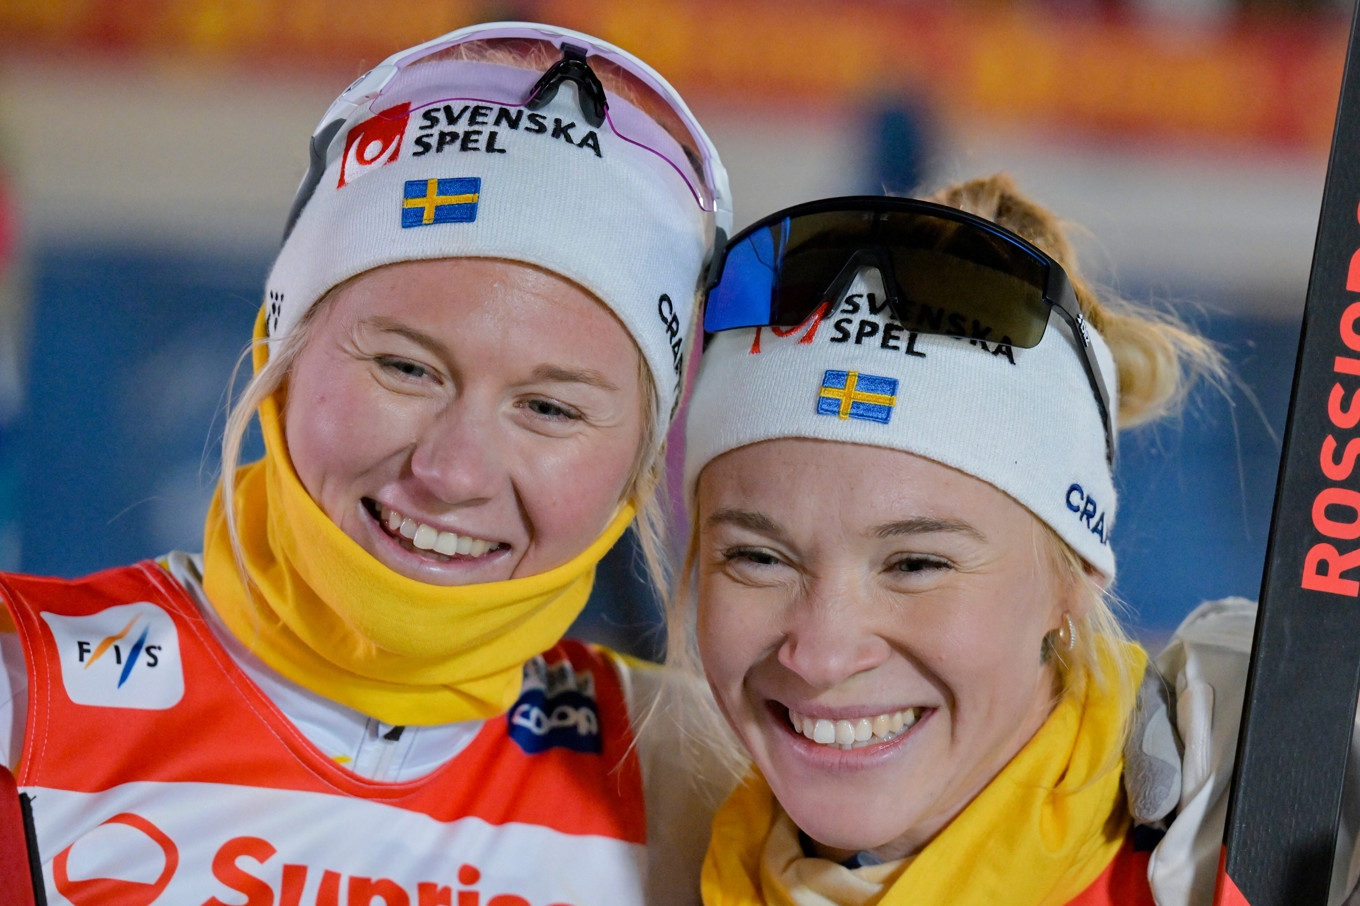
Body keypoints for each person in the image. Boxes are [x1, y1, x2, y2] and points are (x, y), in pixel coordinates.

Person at [0, 22, 731, 904]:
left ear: (641, 466)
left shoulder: (704, 782)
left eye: (549, 408)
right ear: (282, 349)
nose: (454, 472)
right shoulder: (20, 690)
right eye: (405, 367)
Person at [665, 175, 1360, 904]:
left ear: (1074, 577)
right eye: (758, 557)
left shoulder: (1213, 857)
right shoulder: (646, 853)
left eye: (916, 563)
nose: (822, 654)